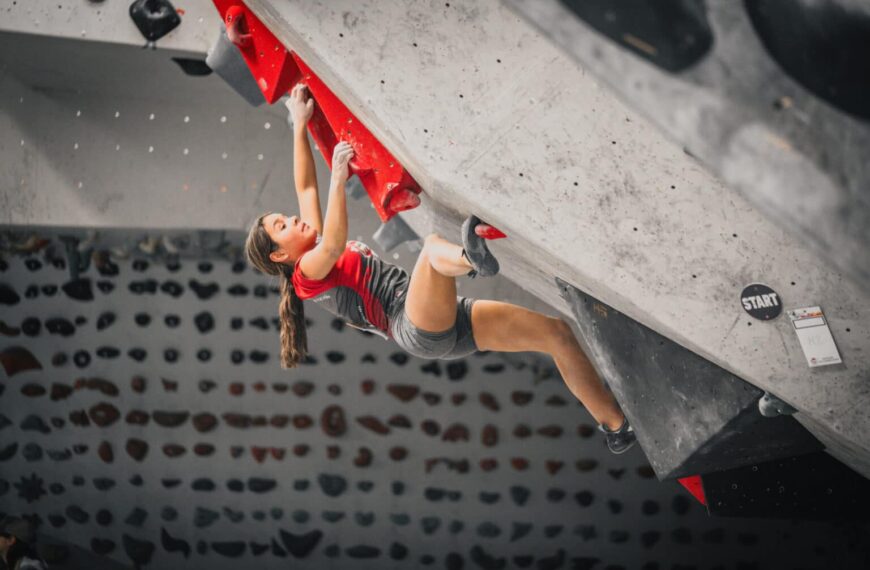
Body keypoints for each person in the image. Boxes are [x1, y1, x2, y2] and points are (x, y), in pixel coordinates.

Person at [245, 84, 636, 453]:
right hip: (411, 324)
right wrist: (340, 175)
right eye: (282, 227)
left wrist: (299, 124)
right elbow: (332, 240)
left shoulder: (307, 243)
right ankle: (471, 258)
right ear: (280, 255)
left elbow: (306, 188)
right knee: (432, 250)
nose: (293, 219)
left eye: (285, 217)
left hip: (434, 320)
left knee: (555, 333)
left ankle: (616, 428)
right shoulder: (305, 276)